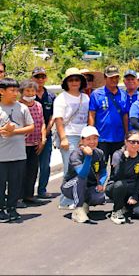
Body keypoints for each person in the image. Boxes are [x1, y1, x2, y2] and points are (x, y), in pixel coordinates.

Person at [53, 68, 90, 209]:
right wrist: (63, 138)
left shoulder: (85, 98)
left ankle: (76, 196)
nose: (74, 82)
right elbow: (58, 119)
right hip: (69, 135)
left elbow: (88, 117)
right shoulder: (61, 98)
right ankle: (65, 200)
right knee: (70, 169)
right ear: (66, 82)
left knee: (81, 169)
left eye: (77, 80)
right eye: (71, 80)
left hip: (83, 136)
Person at [0, 78, 34, 223]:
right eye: (12, 91)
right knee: (1, 185)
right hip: (1, 156)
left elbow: (31, 127)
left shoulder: (22, 108)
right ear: (1, 91)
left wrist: (15, 132)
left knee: (16, 184)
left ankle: (12, 208)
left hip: (19, 154)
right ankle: (1, 209)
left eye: (16, 90)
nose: (15, 93)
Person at [60, 126, 107, 223]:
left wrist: (101, 183)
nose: (92, 142)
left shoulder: (99, 153)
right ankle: (78, 209)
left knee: (100, 197)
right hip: (69, 186)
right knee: (82, 179)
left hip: (87, 186)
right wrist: (88, 157)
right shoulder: (76, 154)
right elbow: (82, 174)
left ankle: (84, 203)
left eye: (95, 138)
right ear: (82, 140)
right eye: (88, 139)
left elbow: (103, 172)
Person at [88, 65, 129, 164]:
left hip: (119, 137)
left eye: (116, 77)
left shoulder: (124, 95)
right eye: (111, 77)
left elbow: (125, 116)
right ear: (105, 78)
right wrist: (91, 135)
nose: (114, 80)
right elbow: (91, 115)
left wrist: (127, 135)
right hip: (102, 138)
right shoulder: (96, 94)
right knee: (100, 167)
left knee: (117, 167)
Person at [106, 130, 139, 224]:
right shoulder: (118, 154)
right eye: (132, 141)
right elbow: (117, 176)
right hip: (116, 187)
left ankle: (125, 205)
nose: (135, 144)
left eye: (138, 142)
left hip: (131, 189)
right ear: (126, 141)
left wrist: (135, 195)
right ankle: (116, 211)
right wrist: (124, 160)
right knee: (121, 184)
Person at [19, 80, 46, 204]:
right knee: (20, 172)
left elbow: (42, 123)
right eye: (27, 91)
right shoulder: (18, 106)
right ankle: (18, 197)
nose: (30, 93)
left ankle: (29, 195)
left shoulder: (38, 106)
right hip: (21, 144)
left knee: (33, 170)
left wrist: (42, 139)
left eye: (32, 91)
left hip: (35, 143)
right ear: (21, 92)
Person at [32, 67, 55, 199]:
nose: (40, 79)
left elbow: (53, 116)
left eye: (42, 77)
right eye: (37, 77)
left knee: (45, 164)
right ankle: (26, 191)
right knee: (30, 165)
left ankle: (42, 190)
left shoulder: (51, 96)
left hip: (46, 134)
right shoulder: (28, 93)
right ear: (32, 78)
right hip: (30, 136)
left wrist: (45, 134)